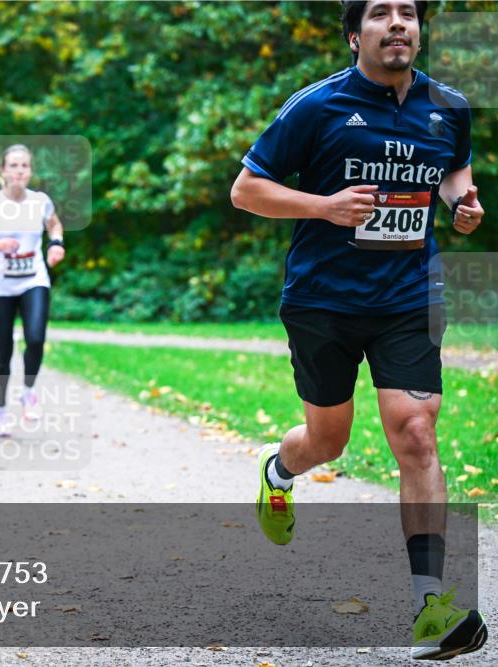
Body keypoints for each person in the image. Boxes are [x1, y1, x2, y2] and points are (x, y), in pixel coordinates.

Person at [229, 1, 486, 660]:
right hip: (324, 299)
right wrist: (325, 207)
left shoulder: (448, 106)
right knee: (328, 438)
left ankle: (431, 606)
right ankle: (279, 471)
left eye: (408, 12)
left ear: (419, 32)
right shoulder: (315, 106)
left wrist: (461, 199)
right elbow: (247, 190)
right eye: (380, 13)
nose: (397, 22)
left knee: (417, 429)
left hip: (408, 295)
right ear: (355, 36)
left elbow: (454, 167)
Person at [0, 144, 65, 437]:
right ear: (3, 171)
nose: (20, 171)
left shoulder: (40, 201)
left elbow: (55, 226)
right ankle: (1, 413)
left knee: (35, 339)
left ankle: (28, 392)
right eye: (14, 166)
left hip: (34, 280)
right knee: (3, 351)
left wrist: (56, 245)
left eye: (25, 166)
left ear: (30, 171)